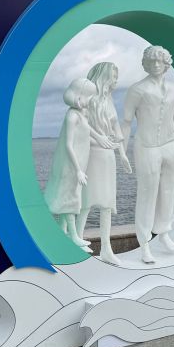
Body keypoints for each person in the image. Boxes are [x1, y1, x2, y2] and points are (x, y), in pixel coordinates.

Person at [122, 45, 174, 264]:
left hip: (170, 145)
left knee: (169, 190)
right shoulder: (137, 90)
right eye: (150, 61)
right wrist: (122, 150)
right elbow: (126, 121)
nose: (155, 65)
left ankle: (164, 232)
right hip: (147, 146)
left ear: (166, 63)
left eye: (159, 61)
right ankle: (144, 242)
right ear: (145, 64)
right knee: (147, 192)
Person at [43, 77, 110, 252]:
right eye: (89, 96)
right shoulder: (72, 116)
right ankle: (73, 237)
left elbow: (88, 129)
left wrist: (99, 137)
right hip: (71, 165)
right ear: (79, 96)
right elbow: (68, 145)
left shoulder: (81, 113)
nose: (92, 100)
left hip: (79, 162)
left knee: (69, 197)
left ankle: (62, 234)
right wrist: (78, 170)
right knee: (70, 199)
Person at [75, 62, 132, 265]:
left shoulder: (109, 101)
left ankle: (106, 249)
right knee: (86, 202)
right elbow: (81, 127)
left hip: (108, 157)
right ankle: (76, 245)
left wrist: (122, 154)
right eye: (114, 77)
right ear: (104, 77)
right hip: (91, 155)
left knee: (107, 204)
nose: (116, 81)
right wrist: (98, 138)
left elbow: (116, 131)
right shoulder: (87, 99)